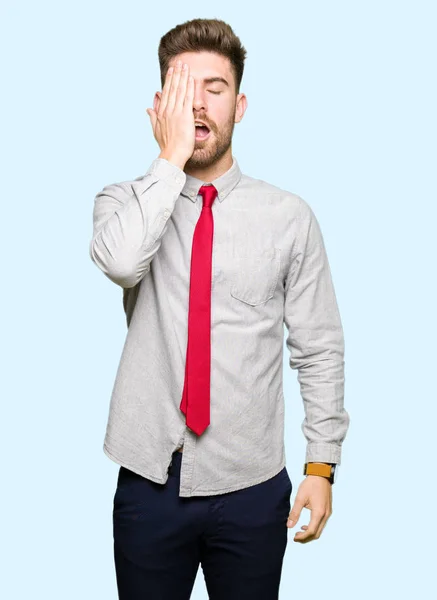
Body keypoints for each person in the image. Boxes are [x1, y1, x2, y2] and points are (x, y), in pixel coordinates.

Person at [89, 17, 350, 600]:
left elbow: (319, 345)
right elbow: (123, 263)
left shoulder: (289, 217)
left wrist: (321, 465)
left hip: (253, 488)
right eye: (185, 88)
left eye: (216, 87)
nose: (201, 104)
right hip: (149, 482)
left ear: (241, 103)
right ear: (161, 104)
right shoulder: (123, 202)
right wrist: (171, 157)